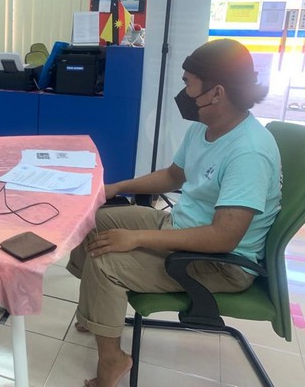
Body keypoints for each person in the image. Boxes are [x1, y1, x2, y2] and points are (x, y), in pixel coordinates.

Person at [66, 39, 282, 387]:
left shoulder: (249, 153)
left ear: (216, 92)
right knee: (90, 218)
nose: (183, 93)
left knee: (105, 259)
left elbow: (224, 237)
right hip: (182, 226)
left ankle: (113, 359)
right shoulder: (205, 125)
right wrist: (116, 188)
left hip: (221, 263)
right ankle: (96, 312)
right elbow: (173, 176)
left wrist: (136, 238)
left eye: (188, 83)